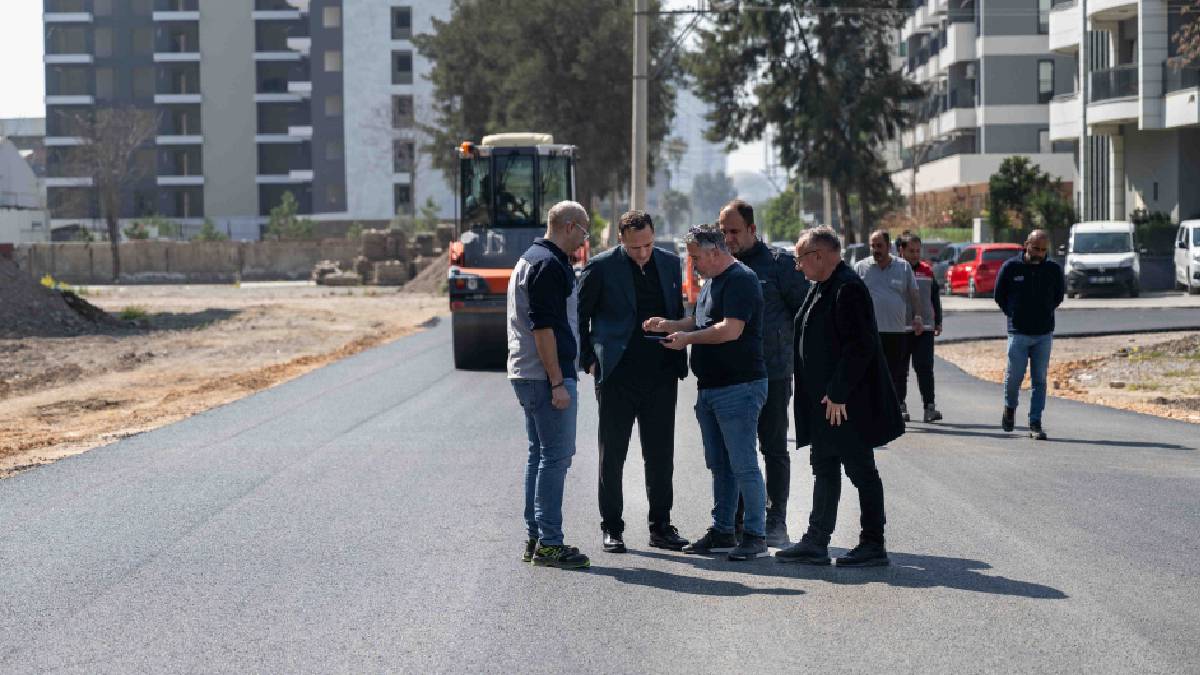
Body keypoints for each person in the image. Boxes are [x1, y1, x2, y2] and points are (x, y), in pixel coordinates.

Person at [776, 227, 905, 567]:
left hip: (845, 405)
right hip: (825, 404)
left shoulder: (848, 288)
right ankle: (816, 541)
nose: (797, 267)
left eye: (800, 259)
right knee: (825, 467)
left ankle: (873, 544)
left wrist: (837, 392)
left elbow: (860, 346)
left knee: (861, 471)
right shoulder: (822, 285)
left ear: (818, 256)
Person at [644, 224, 770, 561]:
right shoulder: (713, 280)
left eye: (696, 257)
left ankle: (755, 535)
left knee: (743, 465)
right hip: (712, 388)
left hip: (739, 387)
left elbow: (730, 330)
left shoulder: (741, 279)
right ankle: (723, 530)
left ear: (714, 253)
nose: (693, 264)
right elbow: (701, 322)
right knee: (721, 466)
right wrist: (670, 325)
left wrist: (687, 340)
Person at [578, 210, 690, 554]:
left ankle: (661, 526)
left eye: (648, 245)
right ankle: (612, 527)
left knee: (660, 455)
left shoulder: (670, 264)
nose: (642, 253)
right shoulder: (600, 267)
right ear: (620, 240)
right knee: (613, 456)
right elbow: (579, 317)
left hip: (661, 374)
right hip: (617, 376)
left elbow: (679, 311)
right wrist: (589, 360)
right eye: (634, 247)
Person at [718, 200, 809, 546]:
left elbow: (805, 312)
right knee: (737, 450)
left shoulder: (779, 264)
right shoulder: (720, 265)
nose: (728, 238)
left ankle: (776, 519)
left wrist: (800, 362)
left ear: (752, 230)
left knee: (773, 448)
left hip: (773, 373)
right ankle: (738, 519)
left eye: (734, 231)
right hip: (732, 375)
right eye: (724, 232)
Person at [507, 200, 592, 569]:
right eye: (584, 232)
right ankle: (550, 543)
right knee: (555, 458)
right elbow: (543, 329)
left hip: (528, 373)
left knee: (540, 455)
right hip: (545, 377)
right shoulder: (548, 265)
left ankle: (537, 537)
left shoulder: (531, 258)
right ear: (570, 226)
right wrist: (558, 381)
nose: (584, 241)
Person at [993, 229, 1064, 441]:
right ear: (1026, 245)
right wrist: (1013, 314)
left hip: (1043, 333)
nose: (1039, 254)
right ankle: (1010, 408)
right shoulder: (1011, 267)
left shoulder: (1052, 270)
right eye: (1035, 248)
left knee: (1039, 380)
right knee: (1014, 376)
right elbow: (999, 295)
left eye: (1043, 250)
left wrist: (1045, 311)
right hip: (1018, 333)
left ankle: (1035, 423)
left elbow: (1058, 296)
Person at [853, 230, 924, 422]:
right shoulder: (860, 268)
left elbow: (914, 294)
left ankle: (895, 407)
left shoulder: (903, 267)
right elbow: (851, 297)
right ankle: (871, 410)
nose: (875, 249)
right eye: (873, 246)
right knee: (870, 372)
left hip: (896, 331)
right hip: (870, 332)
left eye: (879, 246)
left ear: (889, 246)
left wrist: (918, 316)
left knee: (895, 373)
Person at [896, 232, 944, 423]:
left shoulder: (927, 270)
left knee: (924, 367)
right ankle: (900, 406)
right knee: (900, 369)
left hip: (925, 328)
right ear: (901, 250)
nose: (915, 254)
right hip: (900, 328)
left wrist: (938, 320)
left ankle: (929, 407)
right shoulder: (895, 269)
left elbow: (935, 297)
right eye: (911, 251)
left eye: (918, 251)